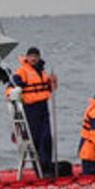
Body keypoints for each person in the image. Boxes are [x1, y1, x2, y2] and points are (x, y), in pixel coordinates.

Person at [10, 46, 58, 175]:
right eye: (31, 56)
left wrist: (52, 82)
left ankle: (47, 167)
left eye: (36, 56)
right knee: (35, 139)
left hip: (43, 107)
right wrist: (17, 90)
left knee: (47, 138)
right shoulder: (22, 71)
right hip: (31, 109)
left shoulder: (42, 72)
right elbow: (12, 85)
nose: (34, 58)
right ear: (27, 57)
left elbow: (48, 88)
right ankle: (40, 169)